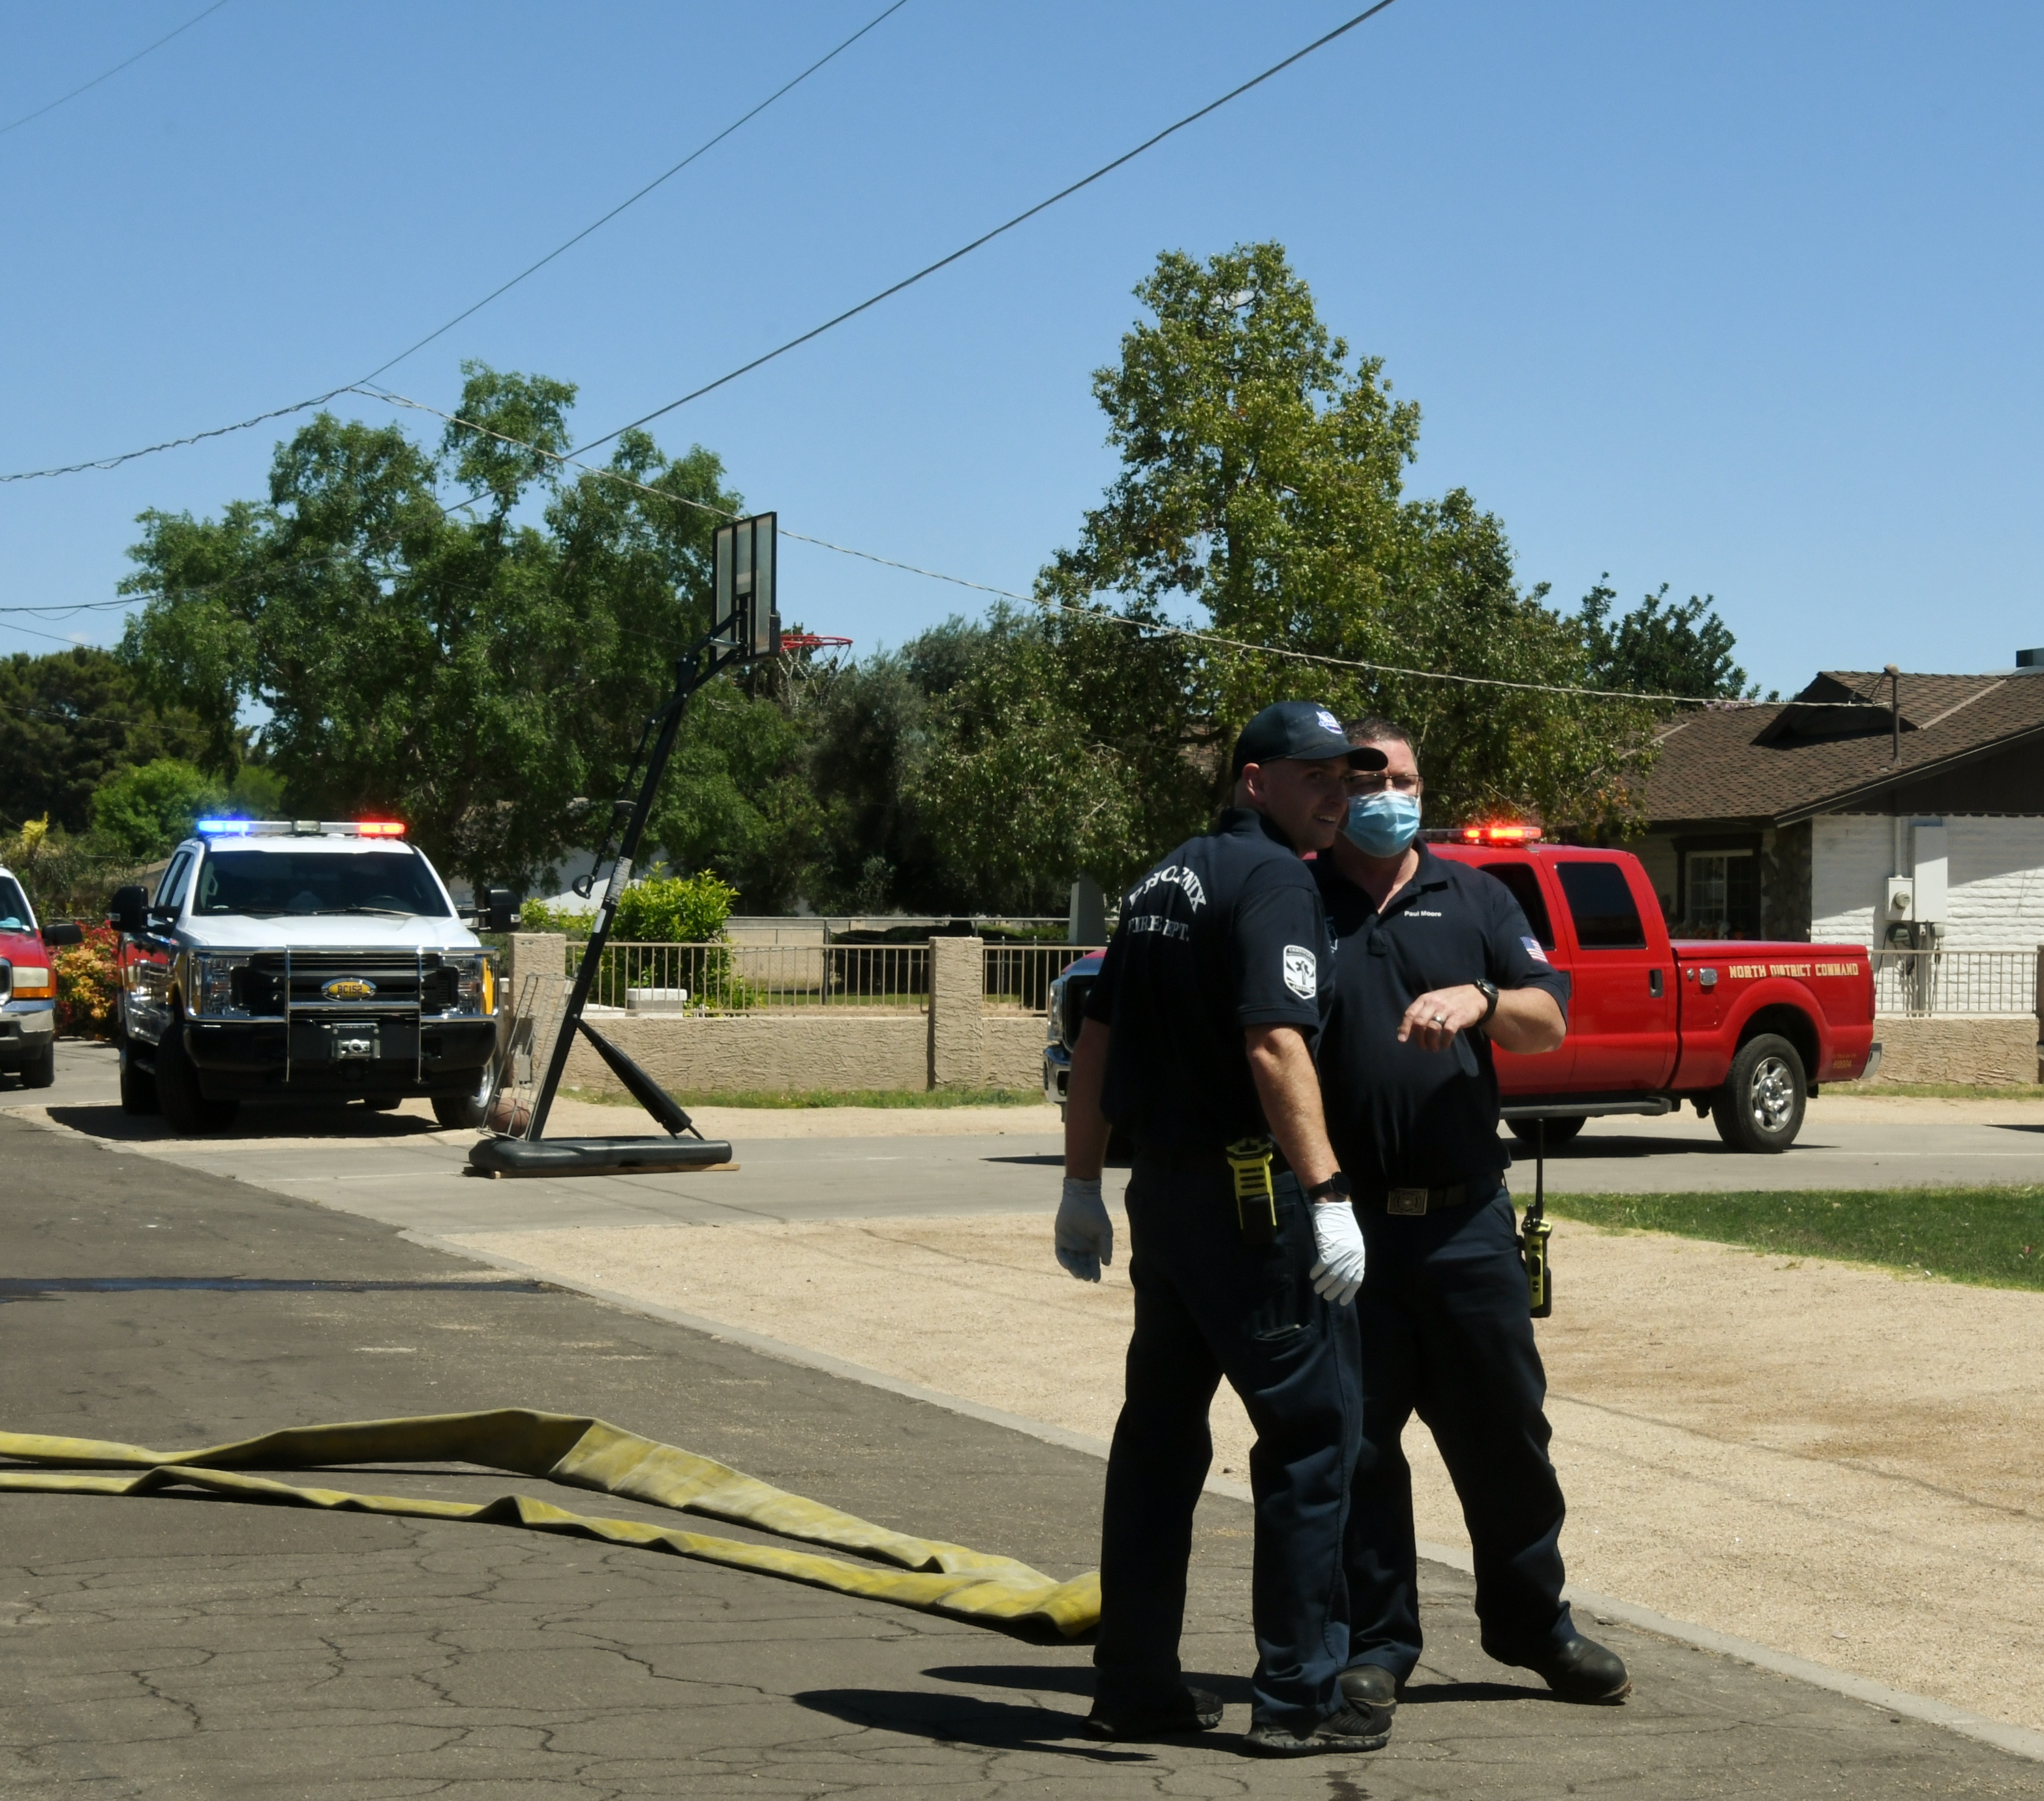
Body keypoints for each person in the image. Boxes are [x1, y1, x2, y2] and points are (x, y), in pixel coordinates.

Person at [1054, 701, 1390, 1757]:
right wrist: (1326, 1196)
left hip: (1165, 1196)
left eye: (1347, 777)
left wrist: (1080, 1182)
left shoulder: (1164, 879)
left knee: (1157, 1443)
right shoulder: (1276, 881)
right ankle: (1298, 1696)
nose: (1338, 795)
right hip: (1251, 1205)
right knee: (1311, 1439)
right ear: (1254, 781)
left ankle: (1134, 1683)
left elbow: (1094, 1038)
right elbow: (1274, 1045)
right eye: (1314, 776)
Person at [1313, 716, 1630, 1738]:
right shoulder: (1297, 900)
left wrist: (1483, 997)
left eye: (1403, 780)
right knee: (1360, 1449)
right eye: (1368, 780)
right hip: (1347, 1231)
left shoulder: (1477, 897)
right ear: (1333, 792)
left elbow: (1548, 1019)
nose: (1388, 797)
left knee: (1506, 1437)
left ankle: (1532, 1627)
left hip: (1466, 1227)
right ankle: (1376, 1648)